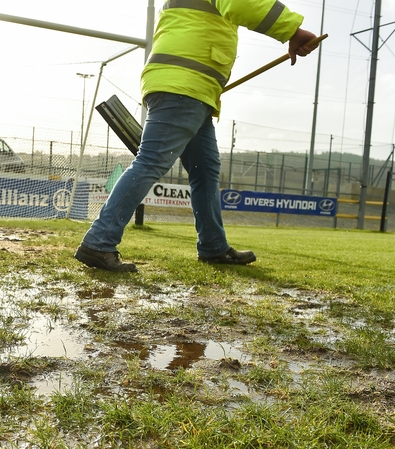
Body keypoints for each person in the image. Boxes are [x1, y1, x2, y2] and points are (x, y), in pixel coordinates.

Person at [75, 0, 319, 272]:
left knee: (205, 169)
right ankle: (99, 241)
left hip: (187, 85)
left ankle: (213, 246)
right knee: (151, 161)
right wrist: (292, 31)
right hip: (185, 84)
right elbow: (245, 3)